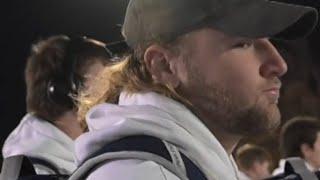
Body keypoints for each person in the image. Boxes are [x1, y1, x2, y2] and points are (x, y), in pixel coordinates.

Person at [74, 0, 318, 179]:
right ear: (165, 66)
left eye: (270, 40)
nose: (279, 64)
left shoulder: (192, 163)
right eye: (243, 43)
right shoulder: (139, 175)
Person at [2, 35, 114, 174]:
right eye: (102, 82)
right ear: (62, 92)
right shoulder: (38, 169)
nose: (111, 92)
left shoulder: (63, 156)